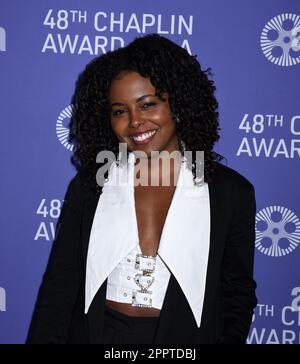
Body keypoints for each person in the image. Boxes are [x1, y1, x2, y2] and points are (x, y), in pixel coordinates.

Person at [26, 34, 257, 344]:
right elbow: (60, 285)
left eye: (148, 104)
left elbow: (236, 295)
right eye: (120, 111)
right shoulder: (91, 185)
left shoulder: (230, 193)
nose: (135, 122)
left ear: (179, 102)